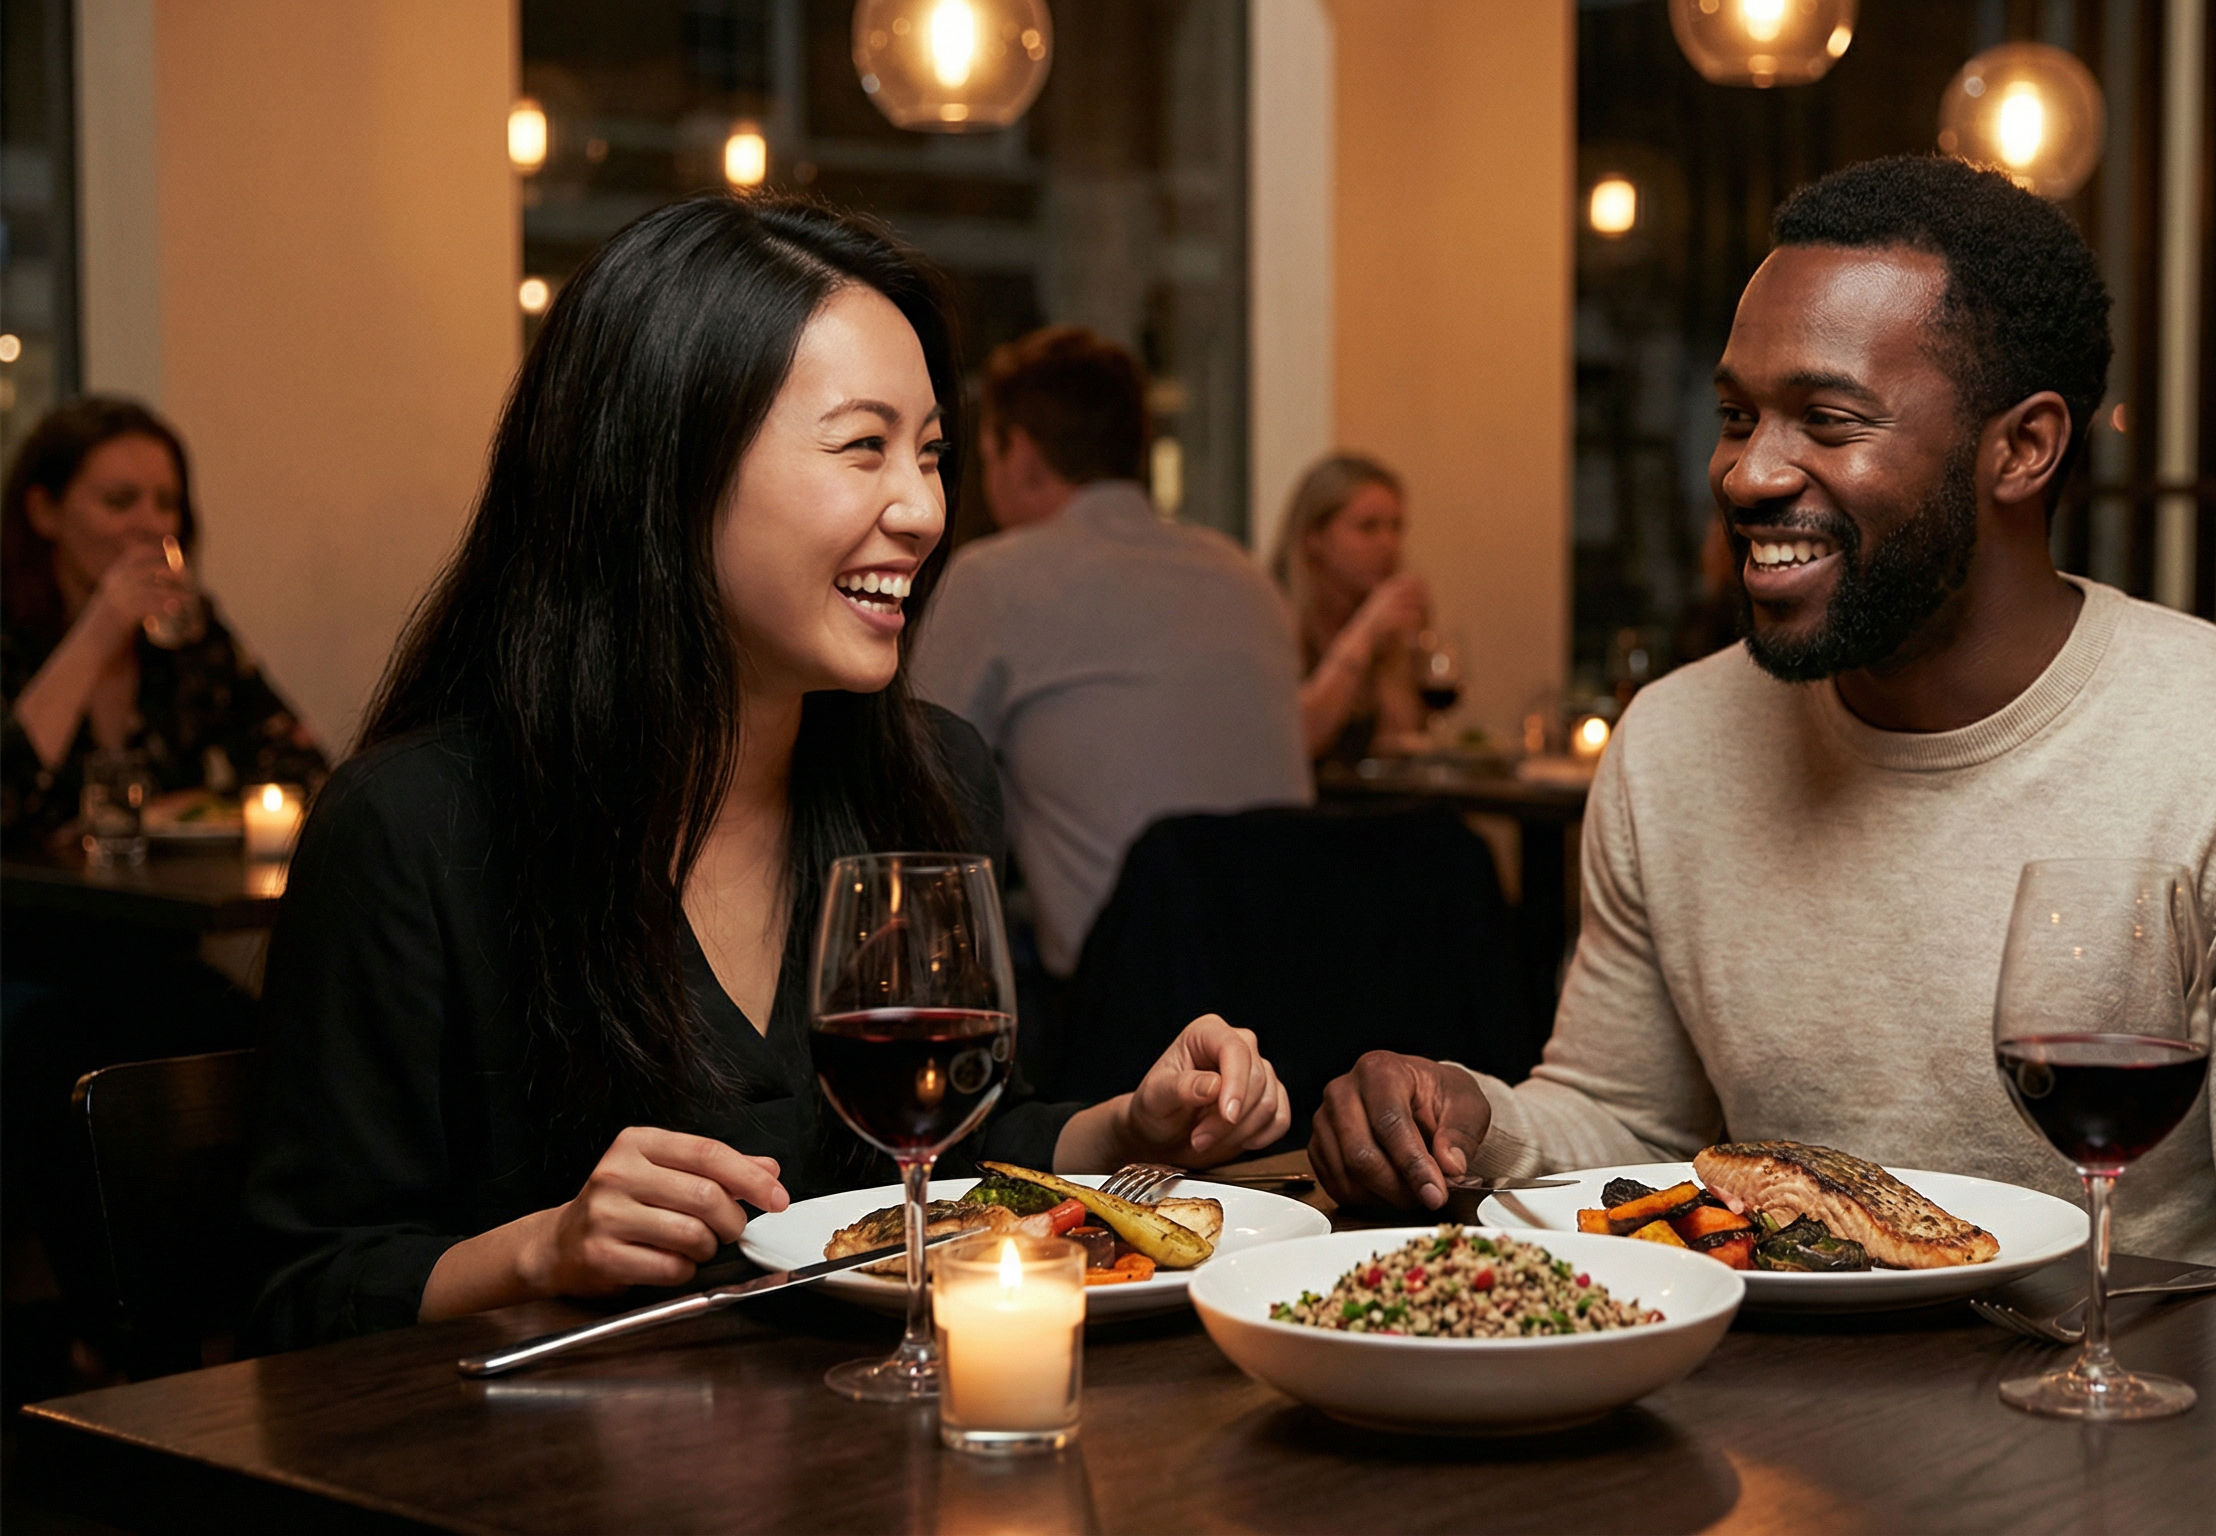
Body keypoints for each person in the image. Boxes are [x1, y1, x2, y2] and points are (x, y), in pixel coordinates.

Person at [1308, 156, 2216, 1291]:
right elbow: (1624, 1124)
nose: (1749, 474)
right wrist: (1464, 1117)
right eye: (1734, 414)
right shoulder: (1670, 746)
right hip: (1764, 1448)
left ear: (2023, 448)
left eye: (1826, 419)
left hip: (2122, 1437)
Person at [245, 197, 1292, 1351]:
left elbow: (943, 1165)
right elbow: (295, 1294)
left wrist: (1122, 1133)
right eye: (863, 447)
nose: (925, 511)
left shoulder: (929, 775)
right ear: (666, 471)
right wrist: (542, 1251)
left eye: (933, 454)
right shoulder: (416, 831)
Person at [912, 326, 1311, 983]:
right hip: (1294, 990)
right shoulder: (1246, 578)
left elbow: (907, 777)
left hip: (1123, 1012)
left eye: (986, 456)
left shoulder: (997, 581)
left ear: (1023, 455)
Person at [2, 396, 326, 848]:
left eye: (166, 502)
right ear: (44, 512)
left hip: (166, 910)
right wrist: (99, 633)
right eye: (120, 501)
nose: (152, 524)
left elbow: (304, 773)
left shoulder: (189, 634)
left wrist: (177, 809)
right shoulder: (10, 633)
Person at [1268, 454, 1430, 762]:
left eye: (1396, 528)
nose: (1388, 544)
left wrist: (1401, 649)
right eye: (1368, 528)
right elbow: (1294, 742)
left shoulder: (1385, 620)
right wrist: (1363, 636)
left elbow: (1398, 747)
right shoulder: (1275, 619)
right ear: (1313, 539)